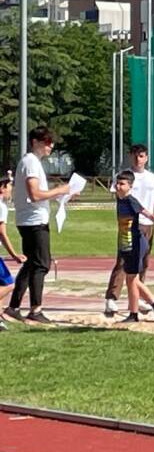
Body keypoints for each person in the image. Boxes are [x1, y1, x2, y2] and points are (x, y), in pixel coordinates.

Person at [5, 126, 70, 323]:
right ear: (35, 142)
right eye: (47, 142)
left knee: (31, 263)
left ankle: (14, 306)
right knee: (42, 264)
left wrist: (64, 194)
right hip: (33, 220)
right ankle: (35, 308)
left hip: (30, 219)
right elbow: (35, 195)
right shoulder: (31, 163)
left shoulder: (31, 162)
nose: (50, 146)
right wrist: (59, 190)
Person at [105, 143, 154, 317]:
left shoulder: (152, 178)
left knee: (143, 263)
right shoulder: (124, 176)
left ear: (146, 158)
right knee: (123, 262)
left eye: (141, 156)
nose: (138, 159)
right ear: (131, 156)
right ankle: (112, 297)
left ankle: (137, 298)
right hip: (131, 224)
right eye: (135, 155)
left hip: (148, 224)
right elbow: (117, 196)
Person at [111, 170, 154, 323]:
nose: (118, 187)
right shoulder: (119, 199)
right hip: (125, 244)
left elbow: (150, 215)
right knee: (133, 279)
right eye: (117, 183)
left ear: (130, 186)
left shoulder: (131, 201)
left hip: (137, 244)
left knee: (131, 279)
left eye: (122, 184)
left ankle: (134, 314)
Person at [0, 177, 25, 329]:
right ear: (2, 188)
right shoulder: (2, 207)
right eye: (9, 186)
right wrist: (14, 254)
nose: (11, 190)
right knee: (9, 284)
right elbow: (2, 233)